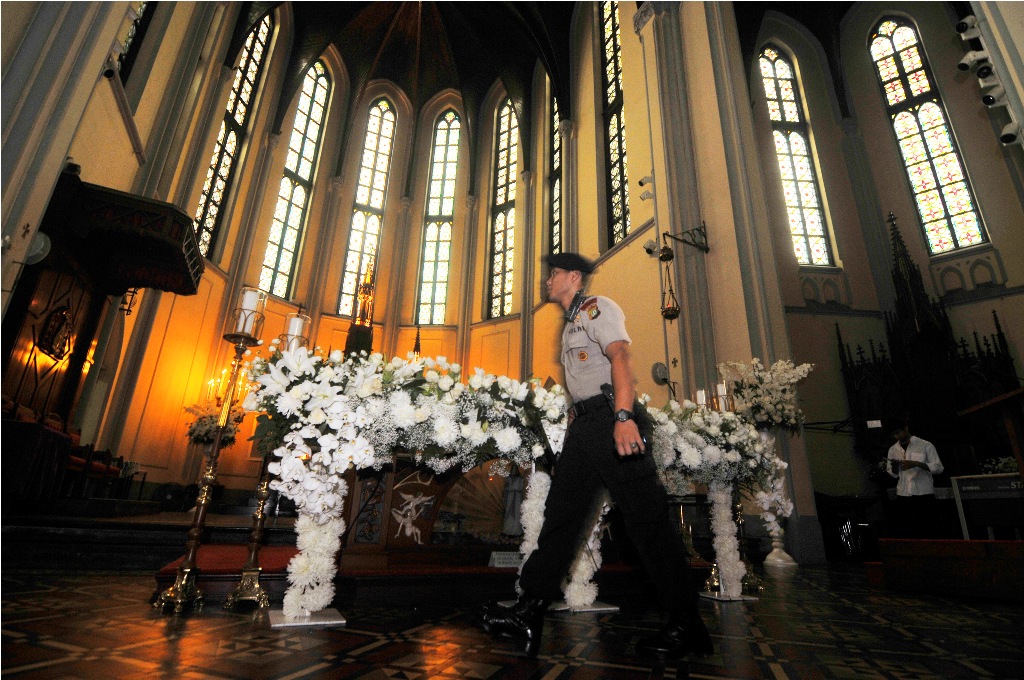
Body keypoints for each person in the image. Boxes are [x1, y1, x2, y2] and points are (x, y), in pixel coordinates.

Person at [475, 252, 712, 659]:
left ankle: (687, 625)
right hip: (586, 427)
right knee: (561, 520)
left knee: (647, 523)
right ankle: (529, 611)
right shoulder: (570, 324)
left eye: (554, 275)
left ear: (573, 277)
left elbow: (620, 356)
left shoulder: (597, 308)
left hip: (611, 419)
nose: (547, 281)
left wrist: (623, 417)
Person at [886, 417, 944, 538]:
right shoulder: (892, 449)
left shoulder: (925, 445)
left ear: (906, 428)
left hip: (924, 493)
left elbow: (938, 468)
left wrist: (915, 463)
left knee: (929, 530)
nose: (897, 436)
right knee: (909, 531)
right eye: (894, 435)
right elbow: (893, 473)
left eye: (898, 432)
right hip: (904, 493)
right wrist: (895, 467)